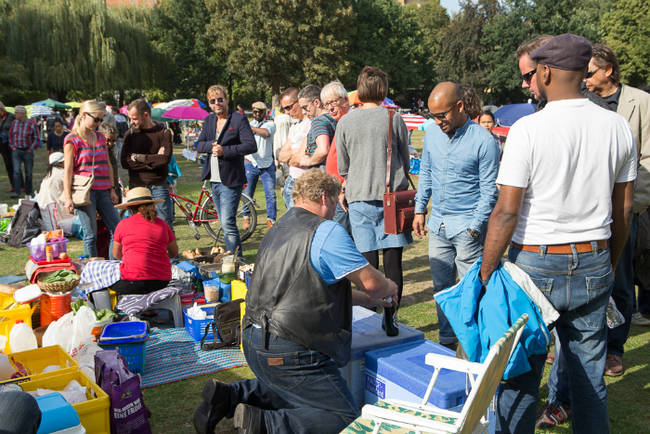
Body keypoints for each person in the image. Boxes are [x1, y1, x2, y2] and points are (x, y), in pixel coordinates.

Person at [479, 34, 636, 434]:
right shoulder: (617, 126)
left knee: (519, 377)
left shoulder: (528, 129)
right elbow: (623, 211)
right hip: (594, 256)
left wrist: (485, 273)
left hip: (535, 261)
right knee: (589, 380)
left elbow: (506, 212)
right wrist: (610, 261)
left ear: (545, 71)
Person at [193, 169, 399, 434]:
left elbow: (312, 291)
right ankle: (266, 425)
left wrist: (371, 300)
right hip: (290, 345)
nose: (337, 209)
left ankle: (230, 396)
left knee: (296, 389)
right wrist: (388, 286)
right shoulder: (325, 232)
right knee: (342, 417)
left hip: (254, 339)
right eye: (336, 202)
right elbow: (372, 282)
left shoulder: (279, 226)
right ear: (325, 197)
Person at [413, 82, 500, 350]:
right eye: (433, 116)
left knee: (471, 291)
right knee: (442, 289)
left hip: (467, 228)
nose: (437, 122)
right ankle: (447, 343)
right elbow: (425, 172)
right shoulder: (432, 135)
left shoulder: (484, 141)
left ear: (460, 107)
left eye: (442, 115)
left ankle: (474, 345)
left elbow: (489, 191)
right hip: (437, 224)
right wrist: (419, 209)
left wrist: (474, 228)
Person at [584, 43, 650, 365]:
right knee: (582, 279)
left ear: (608, 70)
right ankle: (581, 345)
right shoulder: (580, 103)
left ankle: (614, 349)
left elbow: (649, 158)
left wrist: (633, 205)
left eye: (590, 72)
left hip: (625, 210)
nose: (584, 79)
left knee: (620, 281)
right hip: (586, 210)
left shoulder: (642, 102)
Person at [336, 66, 412, 305]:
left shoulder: (345, 122)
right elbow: (405, 160)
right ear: (383, 89)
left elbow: (343, 166)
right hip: (391, 198)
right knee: (393, 263)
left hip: (358, 197)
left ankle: (371, 314)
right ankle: (392, 318)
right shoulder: (394, 118)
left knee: (367, 266)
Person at [196, 85, 257, 256]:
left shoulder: (238, 119)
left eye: (220, 99)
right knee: (224, 222)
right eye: (213, 101)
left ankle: (235, 259)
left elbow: (251, 145)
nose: (217, 103)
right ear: (209, 104)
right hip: (213, 179)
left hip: (231, 179)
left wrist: (226, 151)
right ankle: (235, 256)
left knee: (227, 222)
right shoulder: (209, 121)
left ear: (226, 99)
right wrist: (211, 146)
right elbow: (199, 145)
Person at [62, 100, 121, 258]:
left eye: (101, 120)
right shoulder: (72, 140)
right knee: (90, 235)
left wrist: (112, 189)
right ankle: (93, 269)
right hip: (85, 193)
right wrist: (68, 198)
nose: (99, 123)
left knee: (118, 230)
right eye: (96, 119)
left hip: (104, 191)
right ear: (83, 115)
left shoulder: (101, 138)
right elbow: (67, 171)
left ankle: (111, 266)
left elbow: (108, 165)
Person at [112, 187, 178, 295]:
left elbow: (115, 254)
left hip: (133, 280)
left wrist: (130, 259)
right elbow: (174, 252)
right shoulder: (163, 225)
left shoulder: (123, 224)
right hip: (161, 281)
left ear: (131, 208)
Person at [121, 98, 174, 230]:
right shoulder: (130, 135)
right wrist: (154, 160)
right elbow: (125, 162)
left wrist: (138, 158)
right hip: (137, 186)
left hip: (158, 185)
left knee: (164, 225)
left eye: (134, 118)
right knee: (138, 226)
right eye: (130, 119)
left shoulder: (163, 133)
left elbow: (165, 159)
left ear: (146, 114)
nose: (131, 122)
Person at [321, 80, 352, 232]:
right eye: (326, 104)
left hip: (344, 194)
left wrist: (344, 189)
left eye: (333, 102)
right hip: (336, 191)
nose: (330, 108)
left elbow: (355, 160)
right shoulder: (340, 122)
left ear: (345, 100)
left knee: (344, 239)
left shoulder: (351, 123)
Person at [243, 101, 276, 229]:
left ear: (265, 112)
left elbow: (266, 133)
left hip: (267, 164)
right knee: (247, 193)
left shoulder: (270, 124)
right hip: (251, 162)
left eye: (260, 112)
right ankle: (246, 218)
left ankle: (271, 220)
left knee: (271, 194)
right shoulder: (249, 124)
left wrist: (249, 128)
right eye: (255, 112)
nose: (257, 114)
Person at [277, 87, 311, 209]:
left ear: (299, 102)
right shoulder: (294, 126)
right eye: (284, 108)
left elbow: (303, 158)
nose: (286, 112)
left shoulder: (311, 123)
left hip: (305, 182)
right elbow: (281, 155)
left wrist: (292, 156)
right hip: (291, 181)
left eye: (288, 107)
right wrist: (295, 154)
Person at [295, 85, 336, 169]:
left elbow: (323, 150)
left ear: (317, 102)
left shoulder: (318, 121)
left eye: (305, 107)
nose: (303, 112)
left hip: (321, 174)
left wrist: (308, 162)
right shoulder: (333, 118)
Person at [8, 105, 40, 198]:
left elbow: (37, 138)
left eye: (16, 113)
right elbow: (10, 135)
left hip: (27, 150)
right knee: (16, 171)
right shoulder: (14, 123)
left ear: (22, 114)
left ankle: (29, 191)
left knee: (28, 172)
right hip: (16, 150)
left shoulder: (31, 123)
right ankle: (16, 191)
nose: (15, 114)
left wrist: (31, 149)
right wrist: (12, 146)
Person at [37, 152, 75, 229]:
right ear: (60, 163)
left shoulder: (48, 176)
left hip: (45, 218)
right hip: (59, 218)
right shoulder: (62, 173)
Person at [99, 122, 122, 203]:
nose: (110, 143)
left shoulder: (110, 151)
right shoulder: (98, 153)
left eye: (113, 141)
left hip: (113, 189)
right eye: (108, 140)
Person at [0, 101, 16, 193]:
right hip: (2, 144)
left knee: (14, 165)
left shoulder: (11, 116)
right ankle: (13, 185)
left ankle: (20, 185)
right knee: (8, 165)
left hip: (11, 143)